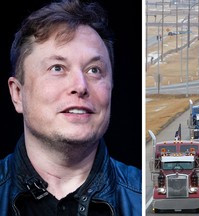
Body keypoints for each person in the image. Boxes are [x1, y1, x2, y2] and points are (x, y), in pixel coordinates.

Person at [0, 0, 142, 215]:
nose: (80, 86)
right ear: (17, 94)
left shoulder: (143, 198)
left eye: (94, 70)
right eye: (57, 68)